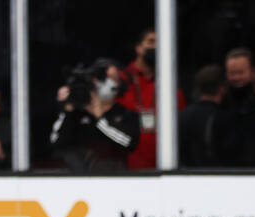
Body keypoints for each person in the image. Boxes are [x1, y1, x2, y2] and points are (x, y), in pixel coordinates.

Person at [49, 58, 141, 171]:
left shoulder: (126, 114)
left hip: (113, 180)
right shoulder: (77, 113)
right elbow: (56, 143)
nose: (104, 81)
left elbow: (128, 142)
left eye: (111, 77)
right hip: (79, 181)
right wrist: (68, 109)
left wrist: (99, 116)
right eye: (101, 77)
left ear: (119, 84)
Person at [117, 28, 185, 170]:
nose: (156, 47)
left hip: (162, 167)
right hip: (123, 168)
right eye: (151, 41)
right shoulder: (121, 80)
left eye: (160, 43)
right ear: (138, 48)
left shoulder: (170, 84)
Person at [215, 47, 255, 167]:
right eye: (232, 73)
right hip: (226, 172)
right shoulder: (221, 103)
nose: (236, 78)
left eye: (241, 73)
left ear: (254, 72)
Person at [178, 64, 227, 169]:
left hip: (185, 176)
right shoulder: (222, 117)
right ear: (222, 88)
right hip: (217, 176)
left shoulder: (182, 116)